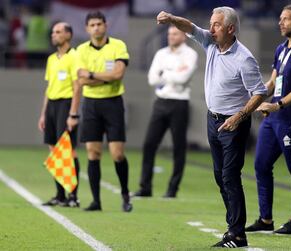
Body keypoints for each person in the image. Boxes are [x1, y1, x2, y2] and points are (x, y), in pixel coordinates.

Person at [157, 7, 267, 248]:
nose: (211, 28)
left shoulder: (244, 58)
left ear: (230, 28)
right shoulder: (210, 43)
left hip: (234, 124)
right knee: (220, 177)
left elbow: (259, 92)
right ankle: (233, 228)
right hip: (213, 120)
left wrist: (239, 116)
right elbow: (190, 28)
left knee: (229, 177)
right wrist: (172, 19)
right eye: (211, 23)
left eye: (216, 25)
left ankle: (238, 234)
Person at [246, 4, 291, 235]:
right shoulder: (281, 49)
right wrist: (256, 97)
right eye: (280, 18)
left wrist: (277, 104)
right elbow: (272, 83)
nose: (281, 22)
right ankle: (265, 219)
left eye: (286, 19)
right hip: (272, 119)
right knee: (260, 165)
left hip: (290, 119)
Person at [74, 11, 132, 212]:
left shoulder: (118, 45)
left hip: (113, 103)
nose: (96, 27)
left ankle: (125, 193)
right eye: (92, 25)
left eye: (99, 24)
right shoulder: (81, 50)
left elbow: (118, 74)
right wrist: (105, 77)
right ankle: (96, 201)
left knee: (117, 154)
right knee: (93, 152)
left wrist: (90, 74)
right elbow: (80, 81)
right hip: (91, 104)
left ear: (106, 25)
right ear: (87, 28)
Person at [132, 26, 198, 198]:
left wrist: (165, 73)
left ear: (184, 36)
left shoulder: (190, 54)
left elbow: (183, 79)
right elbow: (152, 79)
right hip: (160, 102)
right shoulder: (161, 53)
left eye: (175, 34)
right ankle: (145, 187)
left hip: (179, 103)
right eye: (169, 34)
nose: (171, 36)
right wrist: (173, 73)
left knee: (178, 147)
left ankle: (172, 189)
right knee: (149, 144)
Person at [38, 22, 80, 207]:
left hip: (66, 103)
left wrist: (73, 113)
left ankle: (73, 196)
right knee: (54, 151)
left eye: (58, 32)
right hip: (52, 106)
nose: (53, 35)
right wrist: (43, 114)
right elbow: (49, 88)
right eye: (53, 32)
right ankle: (60, 195)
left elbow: (77, 86)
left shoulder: (75, 56)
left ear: (68, 35)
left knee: (68, 151)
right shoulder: (51, 59)